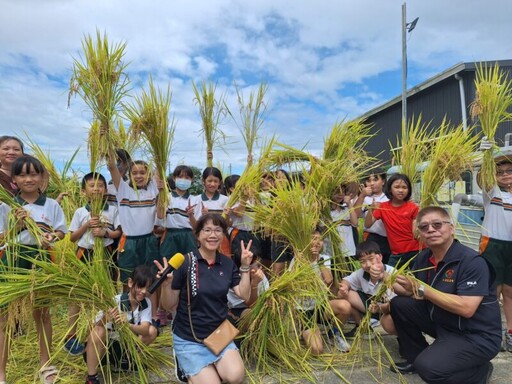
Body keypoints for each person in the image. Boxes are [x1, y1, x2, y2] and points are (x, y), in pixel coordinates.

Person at [389, 206, 501, 383]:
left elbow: (466, 308)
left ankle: (480, 371)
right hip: (445, 323)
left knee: (430, 369)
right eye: (424, 227)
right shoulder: (424, 258)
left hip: (476, 335)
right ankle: (416, 357)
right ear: (420, 233)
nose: (431, 230)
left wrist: (423, 289)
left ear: (451, 228)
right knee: (399, 304)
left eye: (437, 224)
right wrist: (387, 279)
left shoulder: (472, 262)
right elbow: (411, 291)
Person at [157, 213, 252, 384]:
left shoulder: (227, 263)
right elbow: (169, 305)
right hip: (189, 338)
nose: (213, 235)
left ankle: (210, 368)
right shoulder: (185, 262)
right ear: (198, 234)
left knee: (235, 376)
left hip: (219, 333)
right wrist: (165, 285)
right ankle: (185, 365)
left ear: (223, 235)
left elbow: (244, 295)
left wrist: (245, 266)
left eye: (218, 230)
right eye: (207, 230)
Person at [0, 155, 67, 384]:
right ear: (14, 179)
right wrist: (15, 226)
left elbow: (60, 231)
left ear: (41, 177)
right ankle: (1, 372)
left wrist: (51, 236)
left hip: (41, 260)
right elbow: (1, 239)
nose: (28, 179)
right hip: (13, 260)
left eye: (33, 174)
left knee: (43, 314)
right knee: (4, 318)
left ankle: (46, 365)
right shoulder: (6, 205)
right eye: (22, 174)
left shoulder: (52, 205)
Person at [65, 172, 122, 356]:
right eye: (92, 185)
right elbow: (73, 237)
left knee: (107, 292)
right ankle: (71, 334)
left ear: (106, 190)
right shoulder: (80, 212)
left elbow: (118, 233)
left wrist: (105, 232)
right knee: (78, 293)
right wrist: (86, 226)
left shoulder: (112, 210)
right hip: (85, 255)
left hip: (106, 255)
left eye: (100, 185)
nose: (96, 189)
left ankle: (104, 328)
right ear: (84, 191)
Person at [84, 265, 158, 384]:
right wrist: (106, 319)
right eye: (140, 286)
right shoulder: (114, 301)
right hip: (105, 350)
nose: (143, 291)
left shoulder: (146, 303)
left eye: (147, 288)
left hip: (124, 347)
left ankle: (125, 361)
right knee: (99, 330)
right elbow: (90, 331)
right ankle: (92, 377)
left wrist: (127, 325)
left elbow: (145, 330)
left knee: (152, 331)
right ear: (130, 283)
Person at [294, 228, 352, 354]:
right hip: (304, 310)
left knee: (345, 306)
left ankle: (334, 334)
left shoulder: (325, 258)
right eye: (313, 238)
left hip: (320, 306)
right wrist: (306, 260)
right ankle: (306, 329)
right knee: (317, 350)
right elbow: (295, 284)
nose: (317, 242)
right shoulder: (298, 259)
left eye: (320, 239)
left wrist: (317, 260)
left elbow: (328, 280)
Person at [479, 138, 512, 351]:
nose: (505, 174)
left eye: (509, 170)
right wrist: (486, 156)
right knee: (493, 290)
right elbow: (483, 180)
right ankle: (491, 333)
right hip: (492, 244)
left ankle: (510, 332)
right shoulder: (493, 193)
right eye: (500, 172)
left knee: (510, 291)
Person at [337, 240, 401, 338]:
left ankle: (402, 335)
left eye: (371, 259)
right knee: (346, 294)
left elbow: (397, 303)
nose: (367, 264)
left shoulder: (392, 273)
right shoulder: (361, 273)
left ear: (380, 257)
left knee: (390, 318)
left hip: (388, 310)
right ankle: (363, 328)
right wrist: (344, 287)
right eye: (363, 261)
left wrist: (380, 308)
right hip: (370, 308)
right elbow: (346, 280)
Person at [364, 173, 420, 267]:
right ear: (390, 188)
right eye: (397, 187)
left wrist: (420, 216)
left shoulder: (413, 207)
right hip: (397, 253)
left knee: (417, 280)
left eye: (404, 187)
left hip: (416, 251)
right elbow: (367, 224)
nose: (401, 190)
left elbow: (415, 234)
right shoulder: (383, 207)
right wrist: (371, 209)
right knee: (389, 278)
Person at [354, 172, 391, 264]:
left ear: (383, 181)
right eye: (368, 180)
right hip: (373, 239)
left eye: (375, 179)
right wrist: (362, 195)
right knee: (373, 264)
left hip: (391, 238)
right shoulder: (364, 199)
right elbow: (355, 215)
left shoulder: (390, 198)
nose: (372, 183)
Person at [330, 184, 358, 269]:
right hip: (333, 252)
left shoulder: (346, 209)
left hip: (349, 250)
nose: (340, 194)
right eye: (337, 191)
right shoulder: (326, 212)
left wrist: (349, 204)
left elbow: (355, 223)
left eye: (343, 192)